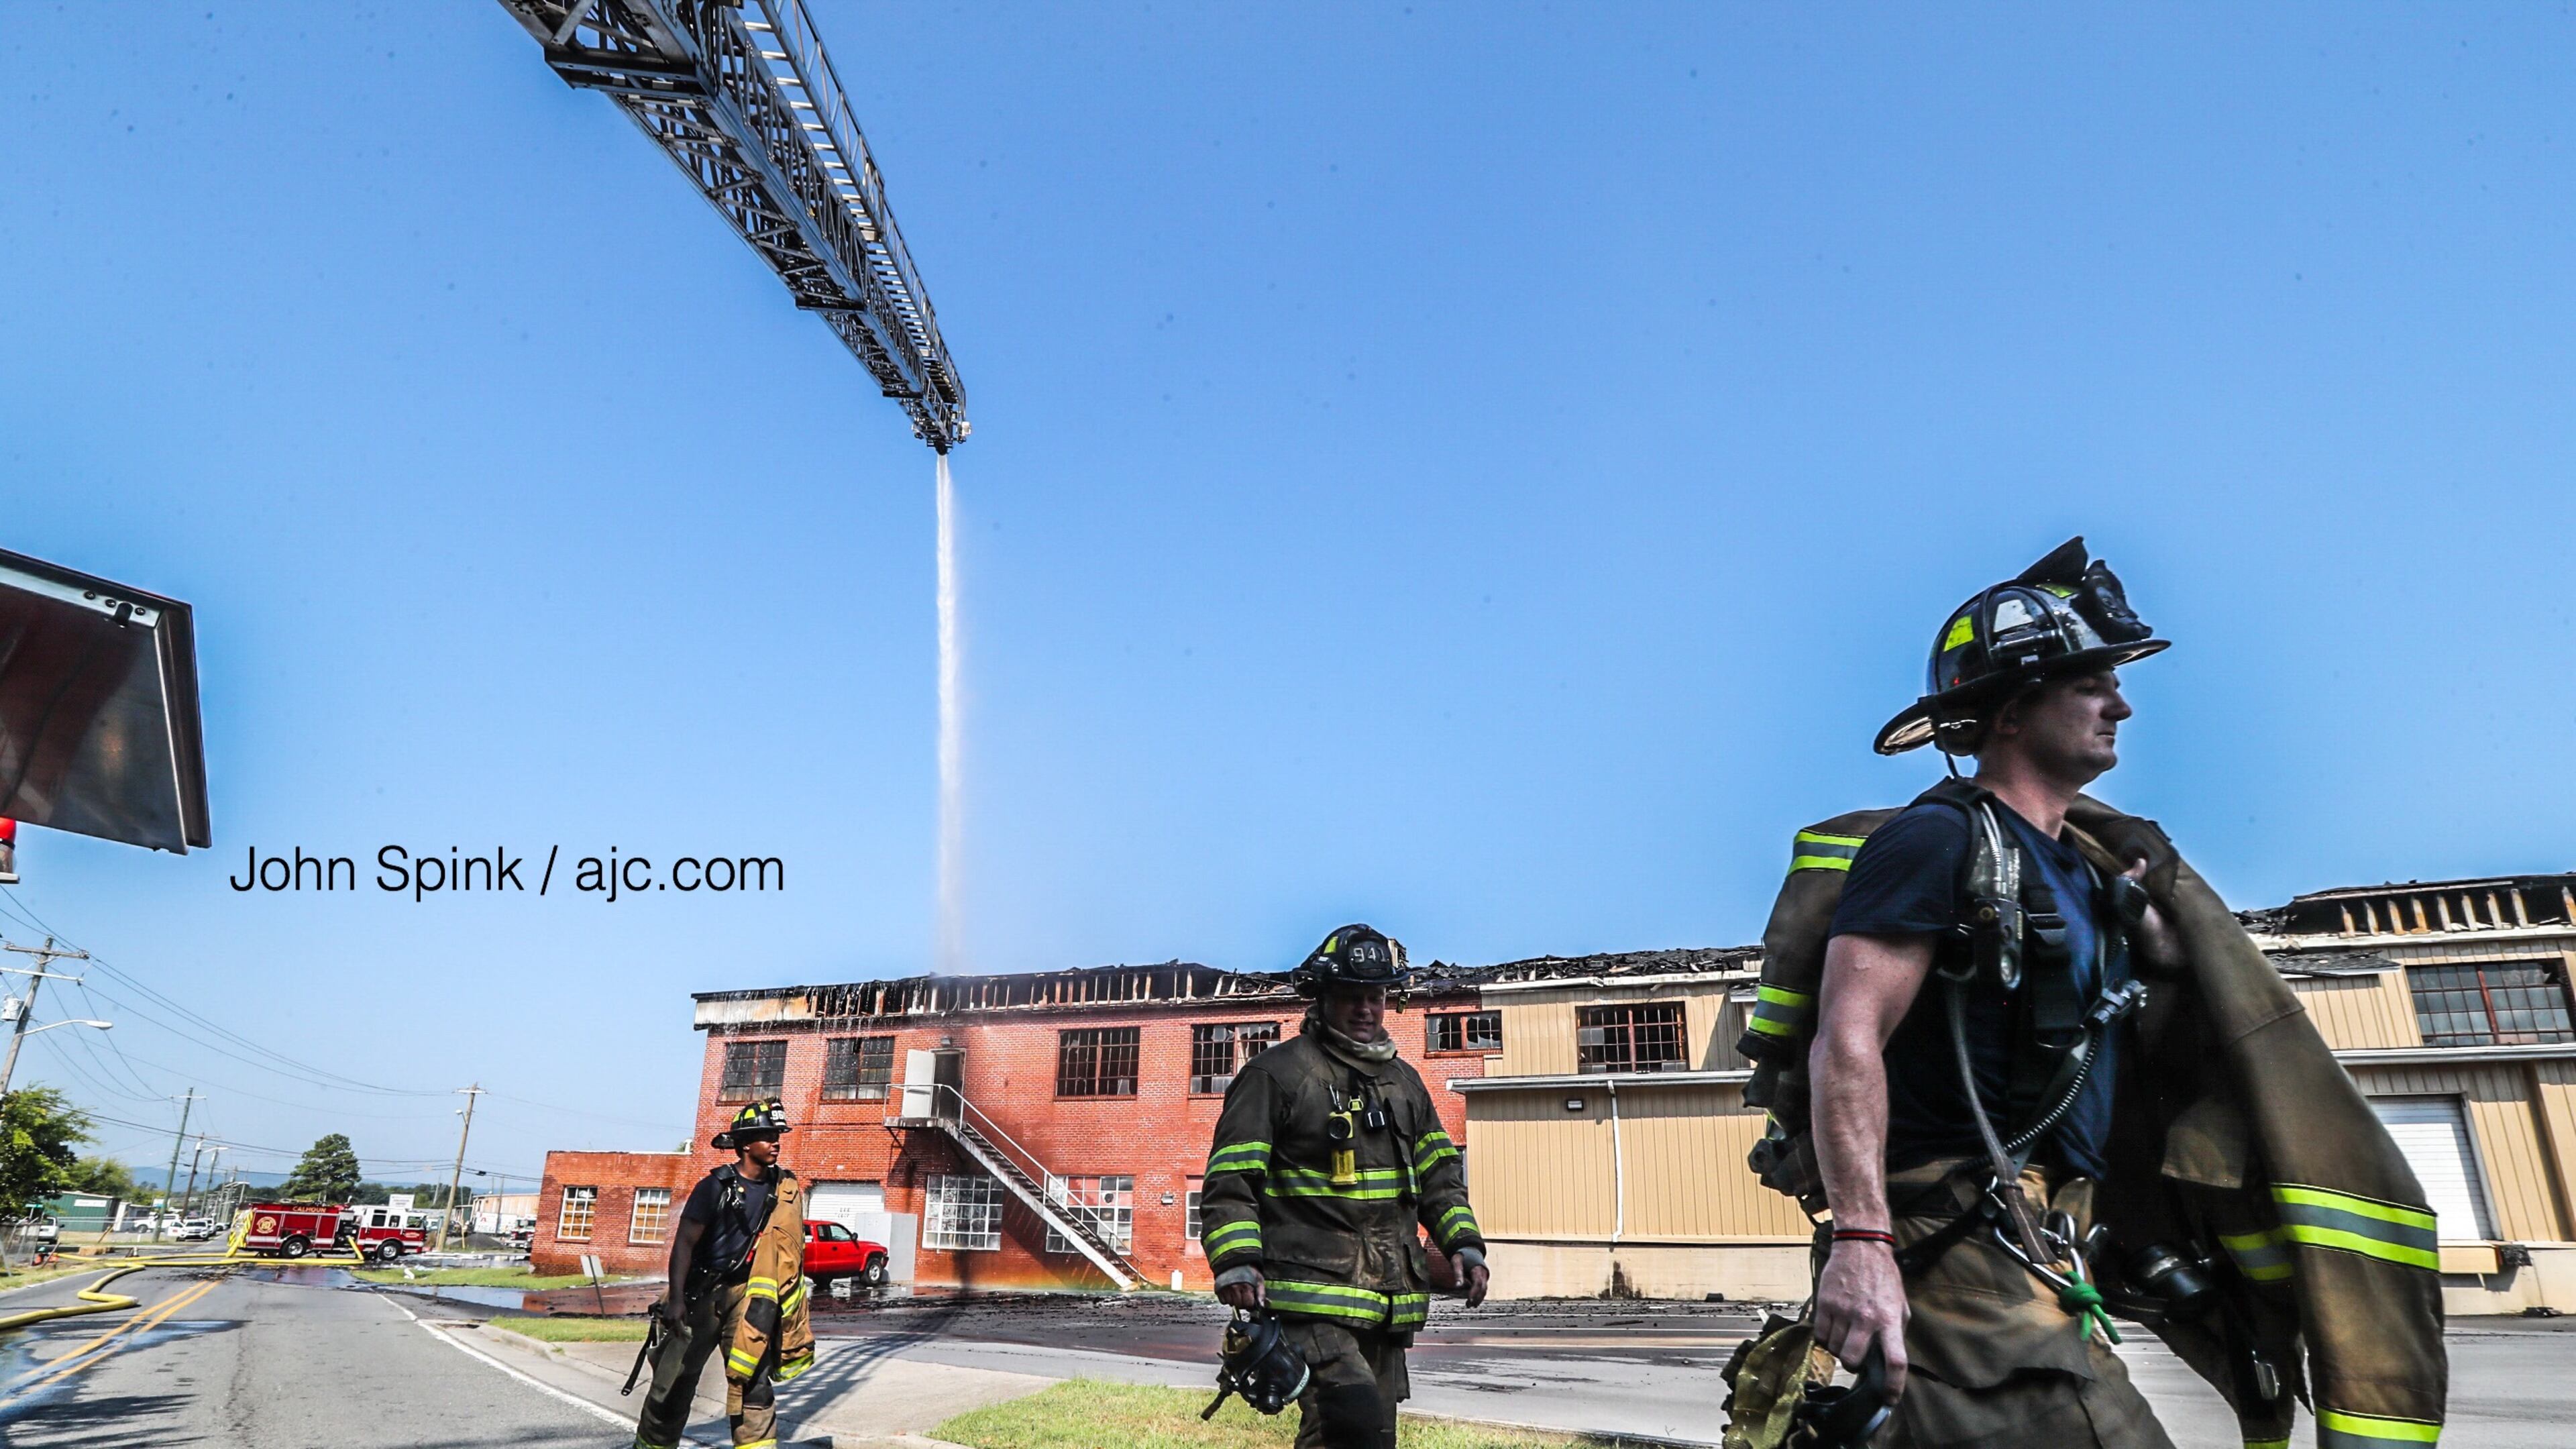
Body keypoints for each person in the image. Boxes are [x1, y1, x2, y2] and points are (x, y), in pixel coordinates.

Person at [1809, 540, 2183, 1448]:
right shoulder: (1936, 844)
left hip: (2041, 1247)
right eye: (2090, 683)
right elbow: (1846, 1038)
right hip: (1961, 1243)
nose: (2120, 703)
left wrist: (2159, 934)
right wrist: (1862, 1244)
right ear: (2013, 711)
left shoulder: (2084, 877)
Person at [1199, 924, 1492, 1449]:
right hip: (1309, 1296)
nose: (1365, 1008)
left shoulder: (1404, 1083)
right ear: (1324, 998)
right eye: (1352, 996)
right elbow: (1231, 1181)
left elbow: (1440, 1178)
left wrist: (1463, 1246)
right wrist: (1236, 1260)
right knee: (1349, 1418)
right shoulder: (1278, 1076)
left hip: (1385, 1300)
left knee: (1368, 1438)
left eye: (1376, 996)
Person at [633, 1097, 816, 1449]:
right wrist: (675, 1299)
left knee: (753, 1383)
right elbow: (684, 1244)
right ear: (745, 1144)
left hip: (747, 1298)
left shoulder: (784, 1188)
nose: (776, 1141)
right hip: (701, 1296)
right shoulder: (714, 1186)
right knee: (674, 1385)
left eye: (777, 1134)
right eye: (767, 1135)